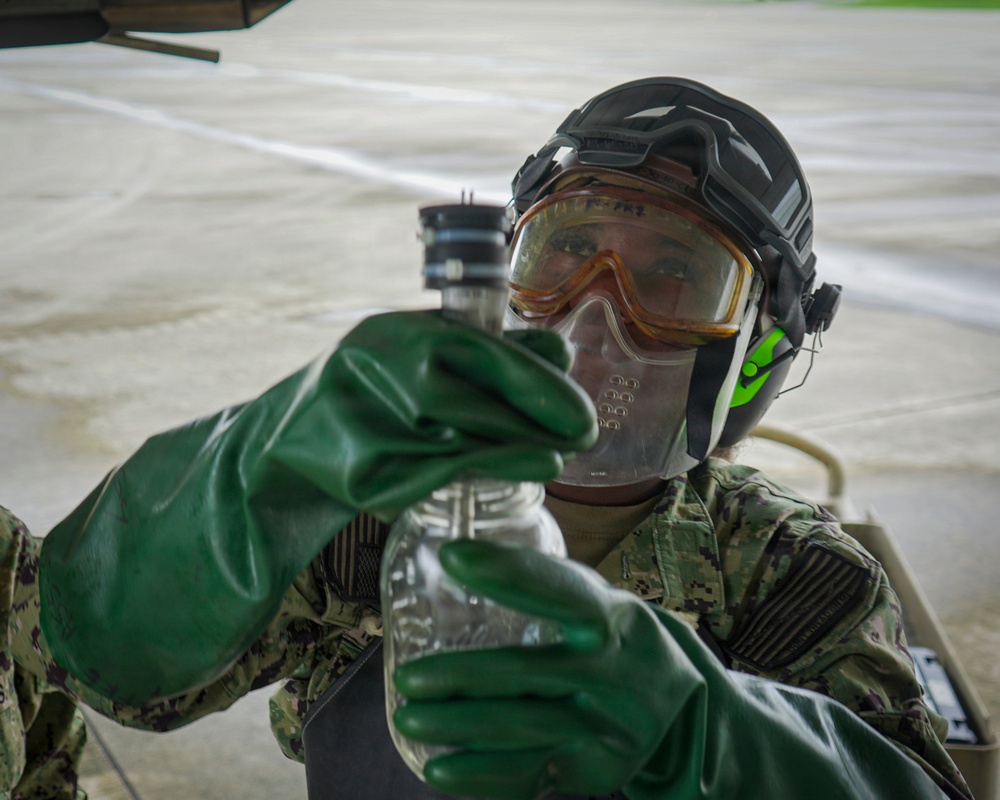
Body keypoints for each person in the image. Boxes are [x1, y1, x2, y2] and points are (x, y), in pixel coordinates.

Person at [0, 77, 970, 800]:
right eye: (562, 248)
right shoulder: (360, 511)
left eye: (675, 273)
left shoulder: (797, 579)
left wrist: (712, 736)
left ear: (755, 351)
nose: (598, 312)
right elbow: (98, 661)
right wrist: (241, 485)